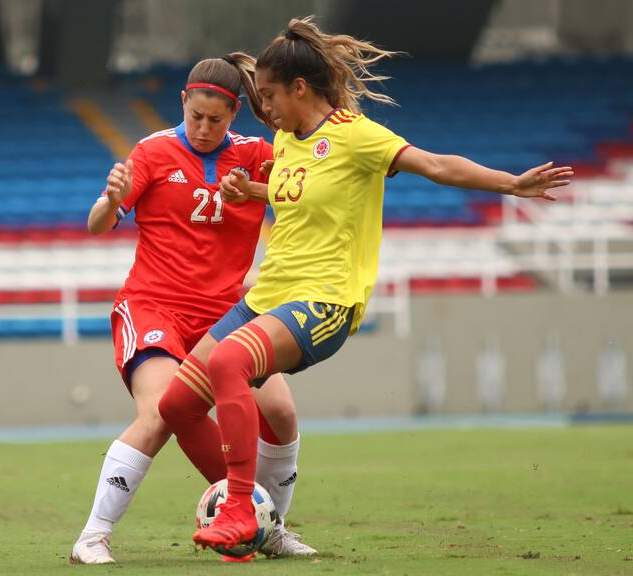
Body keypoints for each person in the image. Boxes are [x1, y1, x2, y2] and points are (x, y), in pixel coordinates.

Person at [158, 16, 574, 553]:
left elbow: (436, 165)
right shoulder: (287, 140)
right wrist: (252, 193)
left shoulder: (356, 138)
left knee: (227, 363)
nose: (265, 110)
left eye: (269, 96)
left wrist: (510, 183)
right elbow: (300, 194)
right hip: (266, 299)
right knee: (176, 406)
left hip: (324, 301)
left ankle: (241, 509)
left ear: (299, 88)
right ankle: (260, 517)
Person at [69, 53, 318, 564]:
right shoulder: (151, 151)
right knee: (161, 413)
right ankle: (93, 535)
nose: (203, 129)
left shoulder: (256, 154)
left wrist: (262, 185)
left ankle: (271, 527)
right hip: (153, 306)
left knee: (281, 410)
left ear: (234, 116)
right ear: (183, 101)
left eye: (216, 120)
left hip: (228, 313)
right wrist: (110, 201)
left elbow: (308, 186)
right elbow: (99, 223)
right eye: (195, 116)